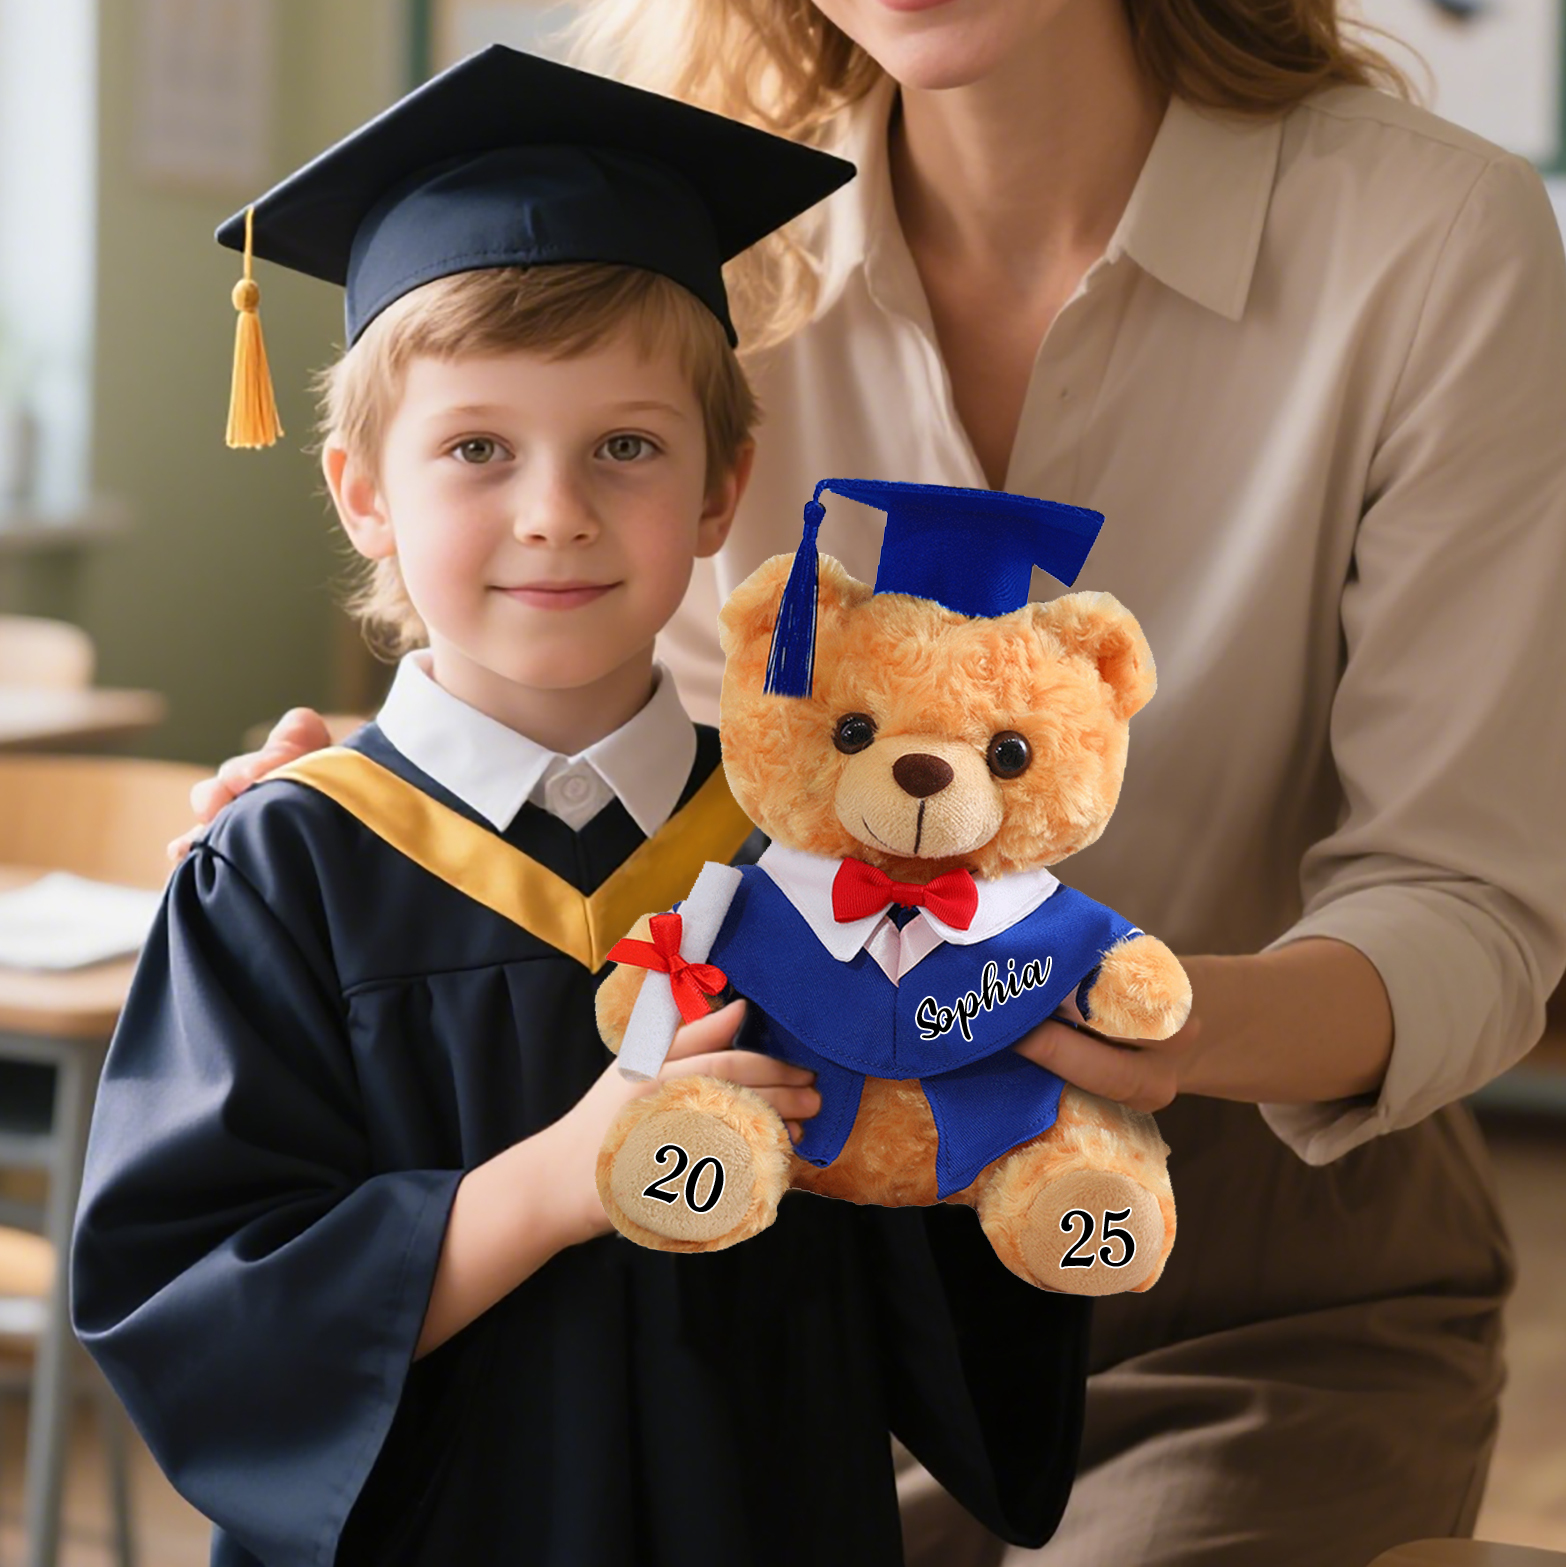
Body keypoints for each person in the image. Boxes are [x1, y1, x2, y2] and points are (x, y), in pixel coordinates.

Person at [210, 4, 1566, 1564]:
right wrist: (420, 803)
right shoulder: (706, 256)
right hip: (794, 1288)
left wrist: (1096, 1013)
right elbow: (691, 785)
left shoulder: (1424, 238)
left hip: (1251, 1284)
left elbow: (1467, 904)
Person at [71, 47, 1096, 1567]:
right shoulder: (284, 867)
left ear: (716, 488)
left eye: (624, 445)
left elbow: (935, 1272)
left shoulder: (812, 862)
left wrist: (996, 1096)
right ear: (363, 493)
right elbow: (203, 1307)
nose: (553, 508)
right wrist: (559, 1182)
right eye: (476, 449)